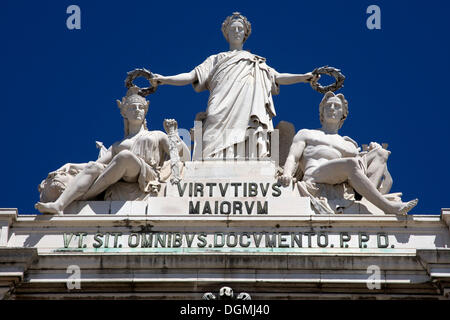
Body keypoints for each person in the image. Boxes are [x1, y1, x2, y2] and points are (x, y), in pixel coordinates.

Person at [150, 12, 319, 159]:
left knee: (248, 130)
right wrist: (163, 79)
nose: (237, 32)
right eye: (233, 29)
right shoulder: (215, 59)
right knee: (212, 127)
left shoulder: (255, 61)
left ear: (245, 33)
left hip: (247, 104)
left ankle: (248, 162)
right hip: (220, 103)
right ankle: (210, 162)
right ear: (226, 33)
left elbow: (277, 77)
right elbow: (190, 76)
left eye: (240, 29)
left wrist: (303, 77)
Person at [35, 87, 189, 215]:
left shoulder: (156, 135)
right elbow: (95, 164)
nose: (137, 110)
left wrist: (173, 133)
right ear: (124, 113)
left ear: (145, 111)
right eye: (132, 107)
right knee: (94, 168)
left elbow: (182, 154)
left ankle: (83, 195)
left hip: (146, 173)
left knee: (125, 156)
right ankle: (60, 204)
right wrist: (71, 164)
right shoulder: (117, 145)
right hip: (121, 174)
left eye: (141, 107)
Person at [279, 91, 418, 215]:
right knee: (350, 163)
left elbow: (362, 170)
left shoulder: (348, 145)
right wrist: (286, 173)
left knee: (380, 153)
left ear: (343, 114)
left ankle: (367, 201)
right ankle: (387, 206)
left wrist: (374, 150)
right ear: (322, 112)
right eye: (328, 106)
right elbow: (293, 156)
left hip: (339, 175)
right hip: (314, 176)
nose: (332, 109)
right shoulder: (307, 133)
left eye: (337, 106)